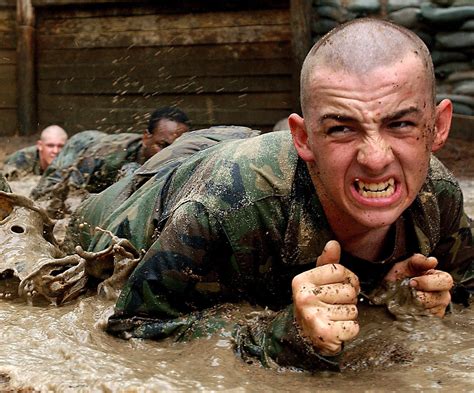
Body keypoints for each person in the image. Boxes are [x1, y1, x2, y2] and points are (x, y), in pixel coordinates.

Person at [66, 19, 473, 371]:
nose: (374, 158)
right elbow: (131, 327)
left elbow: (468, 291)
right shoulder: (225, 208)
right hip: (134, 202)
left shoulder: (438, 198)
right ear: (303, 137)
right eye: (341, 129)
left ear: (438, 127)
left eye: (400, 124)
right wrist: (284, 335)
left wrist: (403, 299)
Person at [29, 106, 190, 202]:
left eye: (176, 147)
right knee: (46, 192)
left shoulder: (183, 154)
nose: (170, 154)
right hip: (84, 143)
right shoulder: (103, 156)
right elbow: (68, 192)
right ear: (146, 137)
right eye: (163, 146)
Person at [3, 125, 68, 180]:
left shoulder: (71, 157)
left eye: (61, 146)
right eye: (50, 146)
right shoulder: (22, 158)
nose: (55, 151)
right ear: (40, 145)